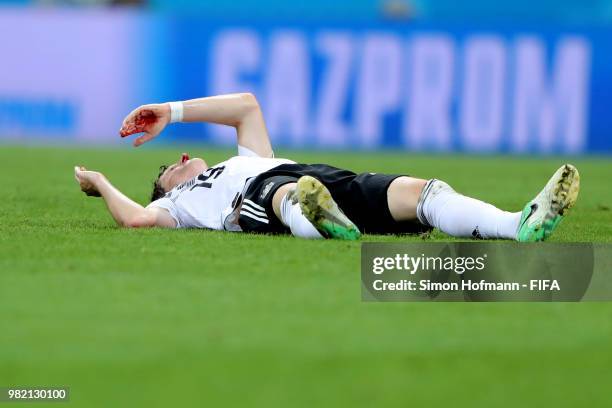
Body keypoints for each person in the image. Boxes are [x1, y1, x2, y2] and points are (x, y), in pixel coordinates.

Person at [74, 93, 580, 242]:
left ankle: (518, 225)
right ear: (166, 191)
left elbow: (246, 106)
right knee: (280, 193)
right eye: (169, 169)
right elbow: (138, 218)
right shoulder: (182, 206)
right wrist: (100, 182)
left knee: (423, 190)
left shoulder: (247, 157)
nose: (182, 160)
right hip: (261, 197)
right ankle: (317, 223)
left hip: (323, 177)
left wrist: (171, 111)